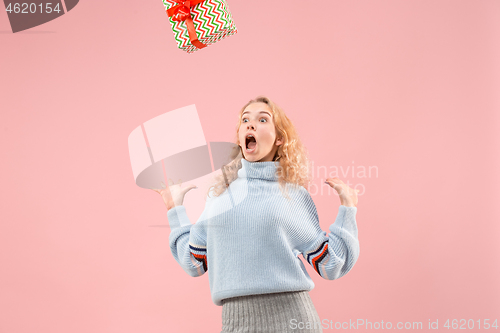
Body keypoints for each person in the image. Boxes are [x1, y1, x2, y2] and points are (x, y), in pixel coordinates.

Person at [152, 96, 360, 333]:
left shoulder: (293, 195)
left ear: (280, 138)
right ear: (240, 136)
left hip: (294, 322)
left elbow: (330, 264)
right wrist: (175, 210)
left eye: (263, 119)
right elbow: (194, 262)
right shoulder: (220, 196)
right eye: (245, 120)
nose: (251, 124)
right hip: (235, 323)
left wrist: (348, 209)